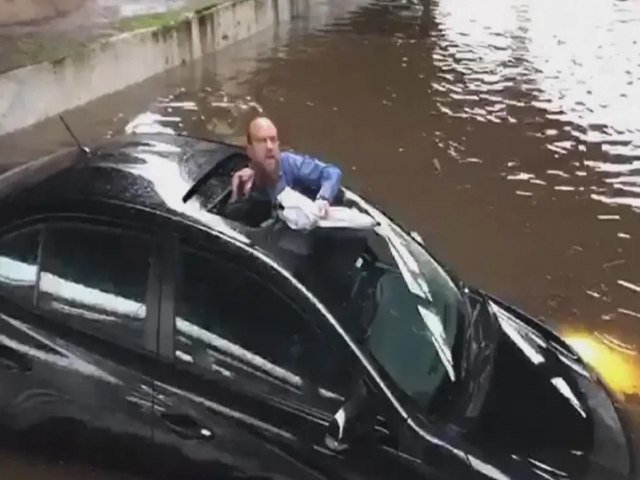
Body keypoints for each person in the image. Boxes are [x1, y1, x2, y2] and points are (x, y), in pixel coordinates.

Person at [230, 116, 343, 218]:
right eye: (262, 141)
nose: (269, 146)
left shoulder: (290, 163)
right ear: (250, 150)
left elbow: (332, 172)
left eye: (273, 140)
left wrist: (323, 199)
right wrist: (237, 196)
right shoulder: (246, 180)